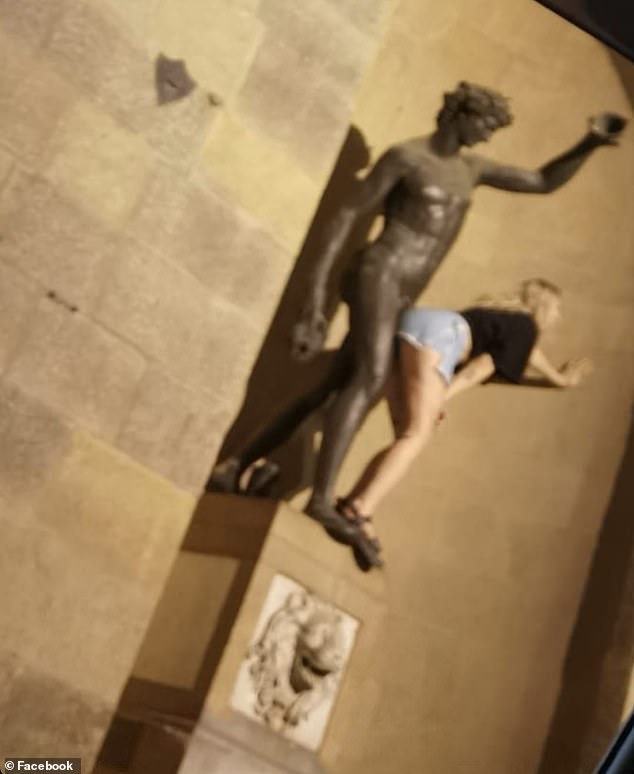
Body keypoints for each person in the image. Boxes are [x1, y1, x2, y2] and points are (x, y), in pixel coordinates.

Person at [208, 81, 624, 541]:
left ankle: (235, 463)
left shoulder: (473, 169)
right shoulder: (406, 158)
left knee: (333, 386)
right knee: (367, 381)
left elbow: (542, 182)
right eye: (483, 124)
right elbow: (346, 216)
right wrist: (314, 299)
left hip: (405, 291)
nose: (486, 137)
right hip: (379, 271)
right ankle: (322, 500)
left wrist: (589, 143)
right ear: (458, 114)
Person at [335, 278, 593, 567]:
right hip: (440, 337)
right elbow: (480, 369)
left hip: (410, 327)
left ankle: (352, 505)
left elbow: (526, 362)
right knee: (417, 435)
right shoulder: (526, 329)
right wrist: (442, 398)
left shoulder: (504, 323)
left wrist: (558, 381)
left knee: (406, 435)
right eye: (557, 310)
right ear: (543, 308)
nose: (558, 318)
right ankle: (360, 509)